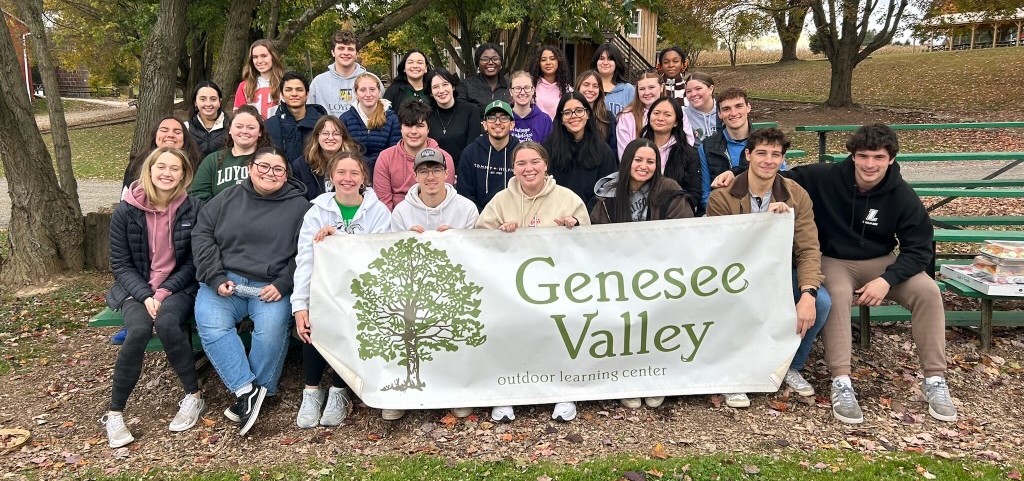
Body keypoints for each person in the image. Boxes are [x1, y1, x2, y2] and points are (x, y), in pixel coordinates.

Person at [713, 124, 959, 425]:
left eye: (878, 157)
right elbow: (770, 170)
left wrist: (887, 279)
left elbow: (920, 249)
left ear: (891, 159)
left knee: (928, 291)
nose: (870, 164)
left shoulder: (902, 195)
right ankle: (841, 380)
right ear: (852, 156)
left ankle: (935, 378)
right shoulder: (825, 177)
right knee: (835, 295)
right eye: (863, 156)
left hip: (881, 261)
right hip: (835, 260)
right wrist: (734, 173)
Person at [705, 128, 831, 409]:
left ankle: (789, 366)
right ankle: (735, 372)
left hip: (779, 271)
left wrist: (808, 292)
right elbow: (719, 251)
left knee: (821, 303)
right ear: (748, 155)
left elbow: (808, 248)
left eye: (776, 155)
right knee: (729, 305)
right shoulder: (723, 197)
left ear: (783, 159)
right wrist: (765, 224)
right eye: (761, 153)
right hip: (737, 274)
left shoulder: (795, 195)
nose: (768, 160)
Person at [192, 147, 310, 436]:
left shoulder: (300, 207)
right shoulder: (227, 199)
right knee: (211, 322)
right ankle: (248, 390)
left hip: (271, 285)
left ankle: (257, 392)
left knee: (270, 330)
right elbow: (202, 233)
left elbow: (306, 252)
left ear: (286, 175)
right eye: (263, 166)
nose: (270, 173)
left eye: (278, 169)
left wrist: (284, 283)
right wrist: (215, 276)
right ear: (249, 168)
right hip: (227, 281)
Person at [476, 141, 589, 423]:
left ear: (545, 164)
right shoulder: (501, 200)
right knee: (506, 330)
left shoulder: (567, 198)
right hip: (511, 288)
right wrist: (500, 234)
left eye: (534, 162)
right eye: (521, 163)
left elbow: (590, 242)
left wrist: (573, 226)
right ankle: (507, 395)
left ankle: (563, 392)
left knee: (562, 329)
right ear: (513, 169)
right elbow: (479, 241)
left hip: (558, 284)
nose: (529, 168)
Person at [102, 147, 204, 448]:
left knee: (169, 323)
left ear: (184, 175)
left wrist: (162, 292)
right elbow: (120, 264)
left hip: (177, 287)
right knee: (138, 331)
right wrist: (146, 295)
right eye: (162, 166)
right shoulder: (126, 210)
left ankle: (193, 395)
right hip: (136, 290)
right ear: (150, 169)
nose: (167, 173)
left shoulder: (193, 208)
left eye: (175, 168)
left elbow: (192, 262)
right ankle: (115, 412)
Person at [292, 152, 391, 427]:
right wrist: (300, 305)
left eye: (354, 173)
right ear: (331, 177)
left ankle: (339, 391)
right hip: (325, 289)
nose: (347, 179)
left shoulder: (378, 212)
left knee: (350, 318)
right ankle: (311, 391)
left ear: (363, 179)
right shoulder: (316, 212)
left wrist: (340, 238)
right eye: (341, 173)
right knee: (314, 319)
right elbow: (305, 259)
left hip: (364, 291)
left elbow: (376, 255)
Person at [373, 101, 455, 210]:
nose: (413, 131)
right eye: (408, 125)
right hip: (396, 221)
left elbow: (444, 201)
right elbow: (383, 203)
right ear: (401, 128)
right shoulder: (385, 158)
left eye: (419, 126)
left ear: (428, 129)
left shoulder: (444, 158)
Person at [698, 87, 767, 212]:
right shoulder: (706, 147)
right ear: (719, 114)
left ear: (748, 108)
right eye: (726, 109)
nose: (733, 113)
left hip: (761, 212)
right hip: (722, 214)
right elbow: (705, 193)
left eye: (739, 106)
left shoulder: (766, 143)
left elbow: (781, 178)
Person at [545, 92, 618, 206]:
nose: (574, 116)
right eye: (567, 112)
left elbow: (608, 190)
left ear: (587, 114)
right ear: (561, 118)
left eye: (579, 110)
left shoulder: (603, 151)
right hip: (555, 215)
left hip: (591, 219)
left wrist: (582, 214)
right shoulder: (547, 149)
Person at [190, 105, 273, 202]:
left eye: (251, 128)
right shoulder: (212, 160)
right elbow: (198, 195)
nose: (244, 131)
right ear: (230, 129)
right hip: (219, 215)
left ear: (260, 132)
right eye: (239, 126)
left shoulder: (273, 160)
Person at [639, 98, 701, 214]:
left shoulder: (688, 153)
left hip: (674, 215)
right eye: (656, 113)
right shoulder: (637, 149)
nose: (660, 118)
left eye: (667, 115)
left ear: (676, 122)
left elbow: (694, 193)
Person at [457, 100, 521, 211]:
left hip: (514, 219)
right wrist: (486, 218)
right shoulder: (470, 153)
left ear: (512, 124)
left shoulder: (521, 153)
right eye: (491, 118)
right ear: (485, 124)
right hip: (478, 219)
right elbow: (465, 195)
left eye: (504, 118)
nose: (497, 122)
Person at [340, 72, 402, 173]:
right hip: (353, 171)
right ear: (356, 93)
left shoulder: (392, 119)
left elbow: (393, 152)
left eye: (372, 89)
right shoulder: (345, 119)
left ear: (379, 92)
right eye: (362, 90)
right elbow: (342, 152)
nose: (368, 94)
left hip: (384, 171)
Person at [121, 117, 203, 192]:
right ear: (155, 135)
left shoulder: (198, 165)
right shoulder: (137, 163)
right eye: (164, 130)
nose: (170, 135)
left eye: (177, 132)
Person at [292, 115, 364, 200]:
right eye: (325, 133)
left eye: (336, 134)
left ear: (343, 137)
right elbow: (300, 199)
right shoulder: (301, 165)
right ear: (317, 136)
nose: (330, 138)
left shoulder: (357, 164)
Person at [266, 71, 327, 164]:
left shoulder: (322, 124)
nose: (294, 94)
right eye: (288, 90)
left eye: (299, 90)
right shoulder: (270, 125)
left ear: (307, 94)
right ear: (281, 94)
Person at [425, 68, 481, 167]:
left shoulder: (471, 110)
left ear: (453, 86)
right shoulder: (426, 114)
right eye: (435, 87)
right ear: (430, 92)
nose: (441, 90)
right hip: (434, 170)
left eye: (445, 84)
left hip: (464, 170)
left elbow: (472, 148)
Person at [308, 30, 366, 117]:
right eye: (341, 48)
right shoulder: (318, 83)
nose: (346, 53)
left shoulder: (370, 81)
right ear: (333, 52)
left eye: (350, 49)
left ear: (356, 53)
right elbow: (310, 115)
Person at [617, 72, 669, 159]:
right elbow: (624, 153)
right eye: (642, 89)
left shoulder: (675, 113)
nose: (646, 92)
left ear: (662, 87)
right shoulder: (626, 117)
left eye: (651, 87)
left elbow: (685, 143)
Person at [233, 39, 285, 119]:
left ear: (273, 57)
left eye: (264, 56)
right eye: (255, 57)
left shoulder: (285, 84)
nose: (259, 61)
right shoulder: (244, 86)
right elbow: (238, 117)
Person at [458, 43, 512, 113]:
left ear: (501, 63)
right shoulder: (466, 86)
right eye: (485, 59)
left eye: (495, 59)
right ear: (477, 63)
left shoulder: (510, 86)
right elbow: (459, 113)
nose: (490, 62)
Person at [575, 70, 616, 151]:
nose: (590, 89)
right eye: (586, 85)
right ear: (578, 87)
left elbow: (613, 150)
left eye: (595, 86)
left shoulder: (608, 118)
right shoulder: (567, 114)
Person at [185, 81, 228, 159]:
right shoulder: (185, 128)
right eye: (203, 99)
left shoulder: (232, 128)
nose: (208, 104)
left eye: (213, 99)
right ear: (195, 102)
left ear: (219, 102)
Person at [508, 71, 552, 144]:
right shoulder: (504, 118)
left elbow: (548, 151)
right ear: (510, 92)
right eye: (517, 88)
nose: (522, 92)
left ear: (533, 91)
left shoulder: (544, 120)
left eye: (527, 88)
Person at [529, 45, 572, 119]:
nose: (548, 63)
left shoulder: (567, 89)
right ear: (538, 63)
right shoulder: (530, 86)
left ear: (558, 61)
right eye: (543, 60)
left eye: (552, 59)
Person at [590, 44, 634, 116]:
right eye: (601, 58)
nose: (605, 63)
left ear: (617, 62)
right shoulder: (588, 88)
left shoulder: (628, 90)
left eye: (610, 59)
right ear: (596, 61)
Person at [683, 72, 721, 145]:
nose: (693, 94)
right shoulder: (683, 116)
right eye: (688, 91)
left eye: (698, 89)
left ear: (711, 89)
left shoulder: (724, 111)